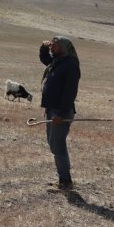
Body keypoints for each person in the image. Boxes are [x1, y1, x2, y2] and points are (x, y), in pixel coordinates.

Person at [39, 36, 80, 191]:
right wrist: (43, 47)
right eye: (52, 46)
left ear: (64, 48)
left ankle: (65, 181)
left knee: (58, 146)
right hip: (53, 110)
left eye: (55, 46)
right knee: (54, 145)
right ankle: (64, 179)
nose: (52, 48)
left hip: (60, 113)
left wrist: (62, 114)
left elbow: (70, 92)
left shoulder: (70, 65)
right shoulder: (58, 62)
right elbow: (44, 58)